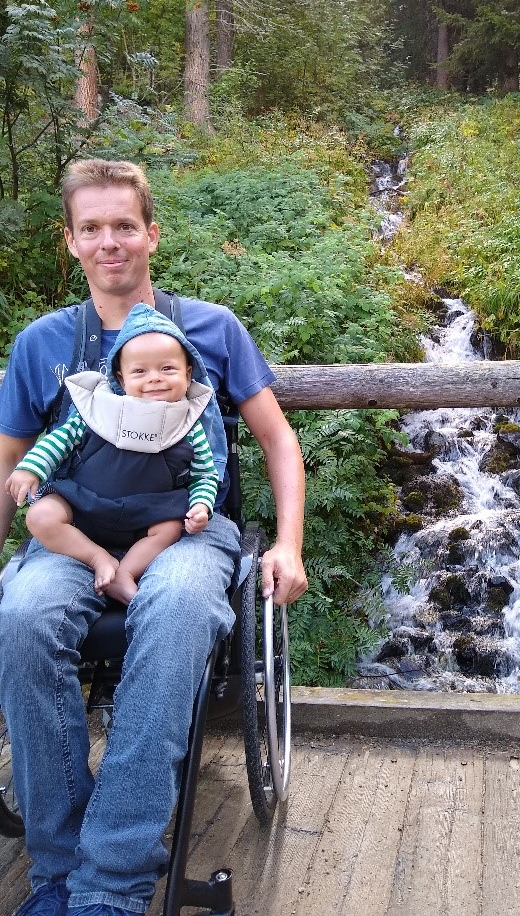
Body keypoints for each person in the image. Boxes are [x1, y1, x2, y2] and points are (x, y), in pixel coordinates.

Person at [0, 158, 307, 916]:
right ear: (70, 240)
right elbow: (9, 461)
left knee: (173, 615)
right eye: (93, 228)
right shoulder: (43, 343)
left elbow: (277, 441)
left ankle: (110, 881)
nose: (112, 242)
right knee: (23, 615)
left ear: (151, 235)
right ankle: (59, 868)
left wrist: (289, 545)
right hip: (72, 530)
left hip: (188, 531)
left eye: (125, 226)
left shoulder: (212, 326)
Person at [5, 310, 223, 606]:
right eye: (140, 372)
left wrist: (201, 505)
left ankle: (126, 572)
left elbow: (205, 475)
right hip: (82, 507)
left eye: (168, 369)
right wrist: (31, 468)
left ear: (188, 374)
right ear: (120, 378)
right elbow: (60, 440)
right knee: (40, 515)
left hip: (147, 515)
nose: (155, 379)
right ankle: (98, 558)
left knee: (171, 528)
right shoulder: (101, 408)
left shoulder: (188, 424)